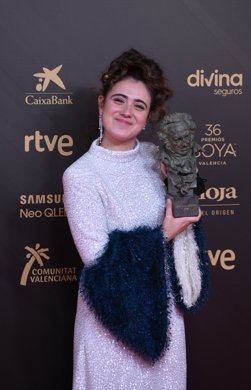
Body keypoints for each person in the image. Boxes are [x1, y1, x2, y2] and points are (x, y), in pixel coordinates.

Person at [63, 48, 208, 390]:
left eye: (139, 106)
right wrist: (163, 234)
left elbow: (187, 212)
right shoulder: (81, 176)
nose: (127, 112)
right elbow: (98, 261)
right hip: (110, 327)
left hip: (164, 319)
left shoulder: (159, 157)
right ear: (101, 105)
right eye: (119, 101)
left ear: (147, 118)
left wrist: (188, 200)